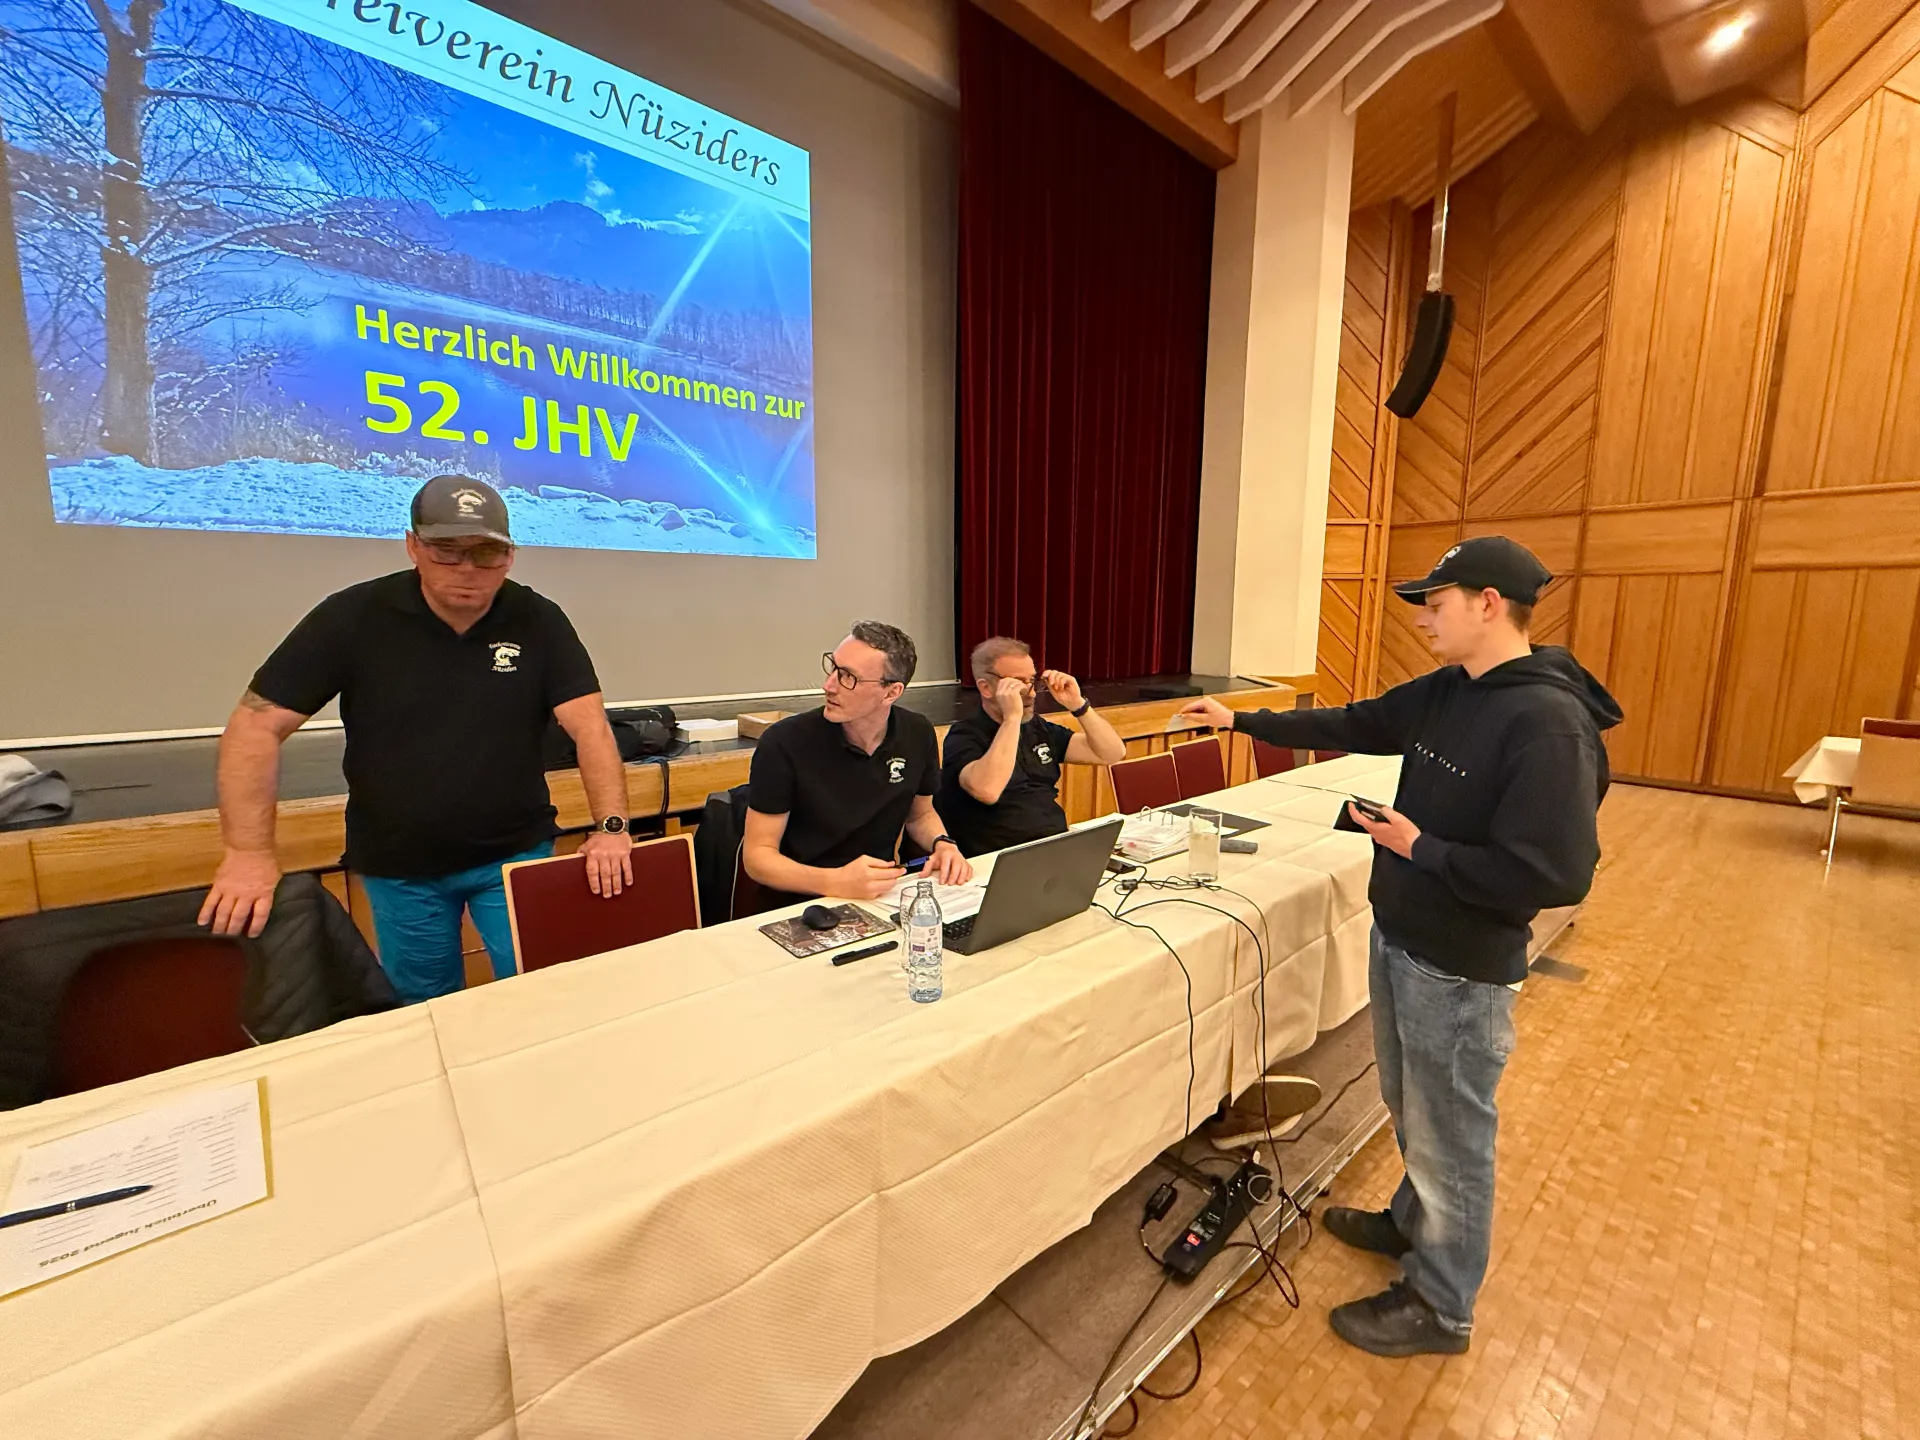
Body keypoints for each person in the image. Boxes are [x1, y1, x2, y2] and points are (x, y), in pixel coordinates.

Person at [1182, 535, 1622, 1358]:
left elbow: (1559, 873)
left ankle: (1442, 1305)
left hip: (1459, 965)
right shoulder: (1454, 688)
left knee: (1452, 1135)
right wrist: (1241, 718)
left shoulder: (1546, 721)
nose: (1423, 618)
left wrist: (1421, 848)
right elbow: (1359, 722)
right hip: (1404, 936)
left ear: (1488, 604)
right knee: (1412, 1105)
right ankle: (1414, 1220)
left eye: (1436, 603)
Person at [199, 476, 635, 1004]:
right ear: (413, 546)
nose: (467, 569)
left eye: (486, 554)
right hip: (400, 867)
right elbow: (255, 724)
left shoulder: (538, 618)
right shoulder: (353, 616)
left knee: (544, 993)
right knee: (426, 1010)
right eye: (447, 551)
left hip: (514, 853)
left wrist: (612, 828)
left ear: (510, 556)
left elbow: (590, 727)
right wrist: (248, 854)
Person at [743, 622, 973, 903]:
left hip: (877, 895)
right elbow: (758, 857)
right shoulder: (784, 741)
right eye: (834, 668)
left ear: (891, 692)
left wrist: (943, 843)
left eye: (848, 677)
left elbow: (920, 815)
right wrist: (835, 882)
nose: (829, 686)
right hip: (801, 902)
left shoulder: (917, 733)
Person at [935, 637, 1127, 857]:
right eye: (1017, 684)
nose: (1032, 693)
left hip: (1054, 847)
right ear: (986, 688)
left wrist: (1078, 705)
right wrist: (1012, 719)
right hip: (997, 858)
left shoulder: (1038, 728)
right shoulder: (964, 736)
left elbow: (1112, 753)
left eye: (1032, 681)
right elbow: (987, 790)